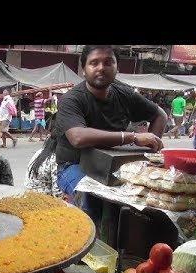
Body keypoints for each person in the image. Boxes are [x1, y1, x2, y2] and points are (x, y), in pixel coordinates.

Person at [55, 45, 167, 217]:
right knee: (91, 199)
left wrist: (148, 153)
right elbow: (77, 137)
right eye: (94, 63)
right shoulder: (72, 99)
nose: (101, 67)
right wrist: (132, 137)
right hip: (74, 166)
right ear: (84, 70)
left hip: (114, 164)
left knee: (144, 198)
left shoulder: (125, 95)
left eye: (108, 62)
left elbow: (160, 115)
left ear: (116, 68)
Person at [24, 131, 63, 198]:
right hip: (43, 199)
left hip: (28, 195)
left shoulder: (40, 152)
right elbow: (57, 192)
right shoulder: (54, 158)